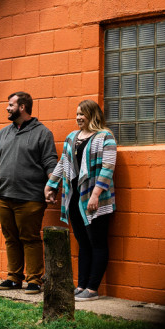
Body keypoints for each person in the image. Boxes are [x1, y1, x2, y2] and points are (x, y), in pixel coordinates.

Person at [44, 99, 117, 301]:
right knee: (83, 243)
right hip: (74, 198)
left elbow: (108, 168)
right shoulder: (72, 137)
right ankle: (82, 285)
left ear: (92, 115)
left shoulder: (106, 137)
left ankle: (92, 289)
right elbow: (63, 163)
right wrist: (51, 184)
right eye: (77, 114)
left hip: (96, 199)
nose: (78, 118)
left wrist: (95, 195)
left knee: (97, 242)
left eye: (82, 114)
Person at [0, 91, 58, 294]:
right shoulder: (3, 132)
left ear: (22, 107)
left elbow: (50, 162)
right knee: (11, 237)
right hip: (2, 196)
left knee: (30, 238)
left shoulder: (42, 133)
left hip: (30, 198)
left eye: (11, 105)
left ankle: (35, 280)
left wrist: (52, 186)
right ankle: (13, 278)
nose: (7, 108)